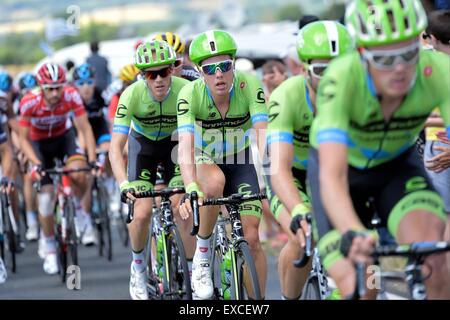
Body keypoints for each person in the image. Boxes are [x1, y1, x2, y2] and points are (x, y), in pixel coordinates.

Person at [307, 0, 450, 299]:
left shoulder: (437, 70)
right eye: (385, 60)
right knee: (362, 283)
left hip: (396, 166)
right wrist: (352, 231)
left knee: (434, 259)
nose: (399, 69)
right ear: (361, 55)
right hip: (343, 172)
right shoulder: (341, 79)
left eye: (408, 54)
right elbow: (332, 178)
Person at [177, 30, 268, 300]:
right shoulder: (190, 94)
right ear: (199, 71)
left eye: (225, 66)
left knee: (251, 238)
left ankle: (256, 302)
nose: (219, 74)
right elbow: (183, 146)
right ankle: (203, 256)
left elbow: (264, 137)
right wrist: (191, 185)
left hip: (240, 161)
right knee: (214, 183)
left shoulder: (250, 86)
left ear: (234, 65)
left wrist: (274, 179)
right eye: (210, 69)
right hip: (204, 157)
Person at [266, 20, 353, 300]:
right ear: (304, 69)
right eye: (321, 69)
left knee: (366, 247)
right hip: (293, 175)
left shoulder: (360, 93)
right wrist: (299, 209)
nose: (331, 77)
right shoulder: (286, 96)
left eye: (339, 66)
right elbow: (278, 167)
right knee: (302, 237)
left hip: (336, 172)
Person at [109, 40, 189, 300]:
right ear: (142, 76)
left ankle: (189, 266)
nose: (158, 80)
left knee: (181, 205)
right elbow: (115, 148)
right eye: (150, 74)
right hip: (142, 148)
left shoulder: (186, 90)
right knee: (141, 213)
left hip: (175, 146)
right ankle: (139, 267)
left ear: (172, 70)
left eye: (163, 72)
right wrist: (123, 184)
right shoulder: (131, 95)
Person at [18, 63, 97, 275]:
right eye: (50, 89)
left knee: (80, 172)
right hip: (38, 145)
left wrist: (91, 159)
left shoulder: (71, 95)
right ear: (41, 88)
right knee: (45, 197)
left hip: (63, 139)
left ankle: (81, 212)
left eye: (58, 88)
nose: (55, 93)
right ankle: (50, 245)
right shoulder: (29, 102)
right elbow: (23, 140)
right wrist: (35, 162)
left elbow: (84, 128)